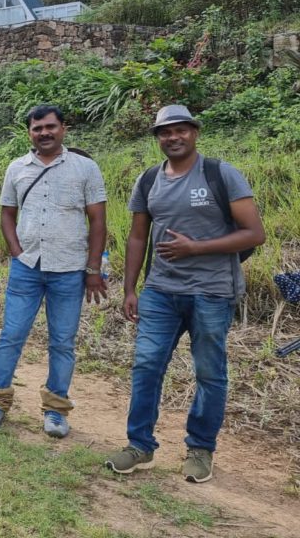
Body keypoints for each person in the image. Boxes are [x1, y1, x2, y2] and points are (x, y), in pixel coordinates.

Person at [105, 105, 264, 483]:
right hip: (161, 290)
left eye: (180, 130)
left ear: (195, 132)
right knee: (146, 366)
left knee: (209, 372)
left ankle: (200, 448)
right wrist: (130, 288)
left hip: (212, 291)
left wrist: (197, 249)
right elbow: (138, 236)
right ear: (157, 138)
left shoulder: (220, 174)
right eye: (164, 132)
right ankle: (139, 445)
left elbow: (254, 234)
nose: (173, 137)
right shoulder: (148, 180)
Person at [0, 105, 107, 438]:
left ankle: (56, 410)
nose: (44, 133)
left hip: (70, 269)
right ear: (30, 132)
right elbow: (6, 214)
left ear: (63, 128)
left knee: (62, 341)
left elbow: (98, 221)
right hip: (27, 269)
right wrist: (16, 252)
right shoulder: (17, 168)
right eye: (38, 128)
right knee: (11, 336)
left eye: (51, 127)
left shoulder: (86, 168)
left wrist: (93, 269)